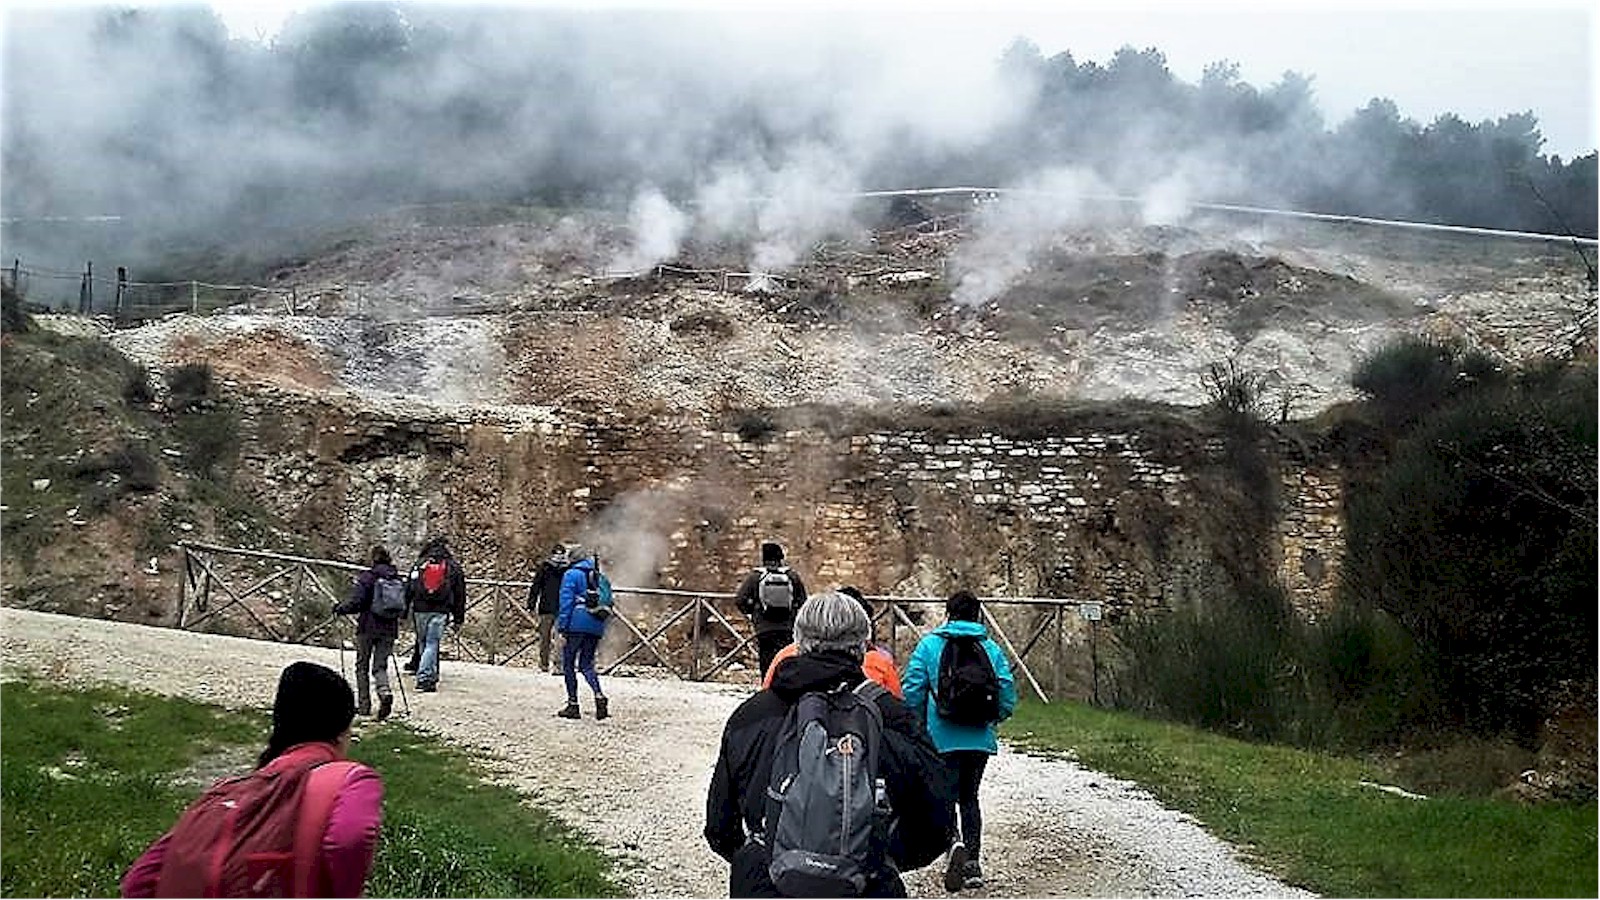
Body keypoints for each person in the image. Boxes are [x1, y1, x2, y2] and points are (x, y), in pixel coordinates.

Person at [705, 590, 956, 897]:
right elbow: (937, 824)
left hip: (765, 885)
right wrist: (875, 857)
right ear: (864, 644)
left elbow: (719, 826)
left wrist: (770, 857)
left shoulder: (751, 716)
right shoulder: (894, 718)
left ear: (797, 640)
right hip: (867, 886)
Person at [121, 662, 384, 898]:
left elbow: (138, 881)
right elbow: (351, 837)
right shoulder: (350, 780)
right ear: (341, 733)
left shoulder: (226, 792)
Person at [902, 590, 1018, 892]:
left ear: (947, 614)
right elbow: (1005, 690)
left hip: (940, 738)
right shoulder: (990, 649)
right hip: (978, 738)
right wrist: (994, 718)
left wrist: (917, 727)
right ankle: (973, 863)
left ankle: (954, 843)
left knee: (944, 794)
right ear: (978, 616)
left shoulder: (929, 645)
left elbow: (913, 689)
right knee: (970, 797)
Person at [761, 585, 902, 697]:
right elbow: (899, 701)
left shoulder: (785, 656)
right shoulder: (879, 661)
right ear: (863, 632)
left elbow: (767, 689)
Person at [334, 545, 402, 720]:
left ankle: (364, 706)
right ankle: (384, 692)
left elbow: (357, 602)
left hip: (367, 627)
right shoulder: (397, 578)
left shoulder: (368, 577)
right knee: (380, 666)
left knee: (361, 666)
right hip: (389, 629)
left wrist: (340, 609)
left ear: (373, 559)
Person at [734, 541, 808, 679]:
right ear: (781, 558)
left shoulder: (755, 577)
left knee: (766, 661)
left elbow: (740, 600)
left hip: (764, 628)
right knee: (785, 660)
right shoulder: (792, 576)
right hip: (787, 627)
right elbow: (803, 602)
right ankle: (785, 687)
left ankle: (767, 688)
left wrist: (752, 613)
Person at [405, 535, 467, 693]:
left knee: (423, 643)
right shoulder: (452, 567)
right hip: (440, 611)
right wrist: (458, 618)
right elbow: (460, 594)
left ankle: (430, 675)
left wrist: (404, 610)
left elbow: (409, 588)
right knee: (432, 644)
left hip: (419, 610)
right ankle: (425, 679)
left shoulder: (420, 564)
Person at [555, 549, 610, 719]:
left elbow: (566, 602)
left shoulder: (572, 574)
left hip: (576, 624)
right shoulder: (600, 577)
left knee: (569, 663)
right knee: (587, 664)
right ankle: (598, 695)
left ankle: (573, 704)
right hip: (596, 624)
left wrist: (562, 627)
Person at [526, 543, 571, 674]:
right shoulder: (567, 569)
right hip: (562, 607)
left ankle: (543, 664)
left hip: (546, 607)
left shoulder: (544, 567)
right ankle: (558, 666)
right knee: (560, 638)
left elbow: (536, 587)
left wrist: (531, 604)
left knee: (544, 638)